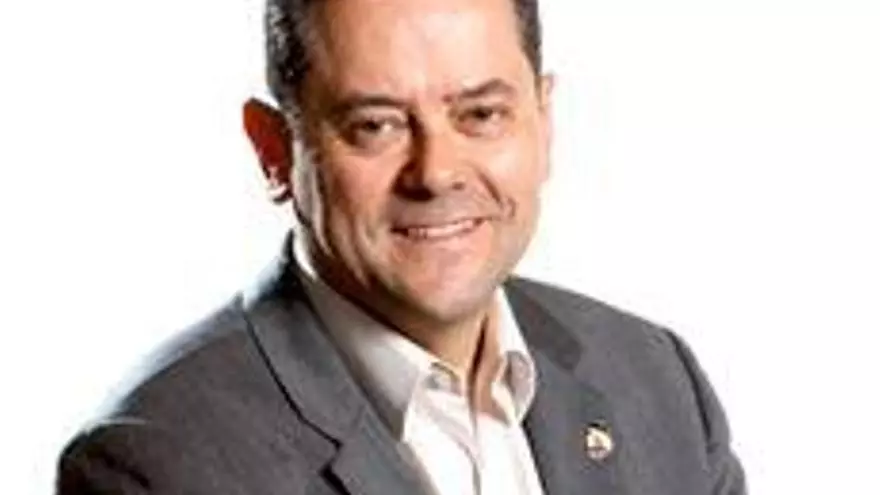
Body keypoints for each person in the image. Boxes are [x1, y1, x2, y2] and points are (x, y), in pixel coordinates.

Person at [56, 0, 747, 493]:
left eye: (481, 114)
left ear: (544, 123)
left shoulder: (654, 378)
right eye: (375, 125)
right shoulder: (160, 461)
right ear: (274, 151)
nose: (437, 172)